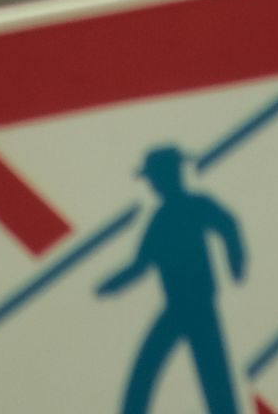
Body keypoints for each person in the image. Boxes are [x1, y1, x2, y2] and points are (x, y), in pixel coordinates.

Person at [95, 144, 248, 414]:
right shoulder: (161, 219)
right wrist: (111, 284)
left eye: (154, 177)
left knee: (211, 379)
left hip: (198, 306)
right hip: (179, 307)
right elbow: (142, 263)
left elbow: (228, 224)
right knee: (148, 372)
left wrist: (235, 261)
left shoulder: (193, 206)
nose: (152, 184)